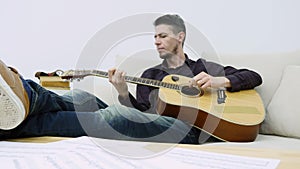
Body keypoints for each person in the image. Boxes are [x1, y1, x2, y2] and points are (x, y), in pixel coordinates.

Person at [0, 14, 262, 144]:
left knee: (114, 116)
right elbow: (140, 115)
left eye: (163, 36)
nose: (157, 41)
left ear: (180, 37)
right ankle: (23, 101)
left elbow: (254, 76)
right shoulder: (152, 76)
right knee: (79, 97)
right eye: (155, 37)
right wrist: (123, 92)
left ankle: (19, 110)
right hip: (159, 122)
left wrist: (221, 82)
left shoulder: (205, 67)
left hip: (198, 129)